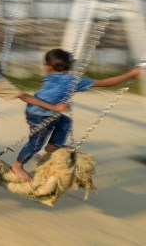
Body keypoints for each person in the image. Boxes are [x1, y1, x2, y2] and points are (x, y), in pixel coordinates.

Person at [11, 48, 143, 181]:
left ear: (48, 68)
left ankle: (53, 146)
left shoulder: (49, 76)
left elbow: (58, 77)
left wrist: (69, 64)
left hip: (38, 110)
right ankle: (17, 166)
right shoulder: (72, 81)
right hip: (39, 115)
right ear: (69, 66)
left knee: (65, 121)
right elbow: (106, 83)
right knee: (35, 144)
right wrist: (132, 73)